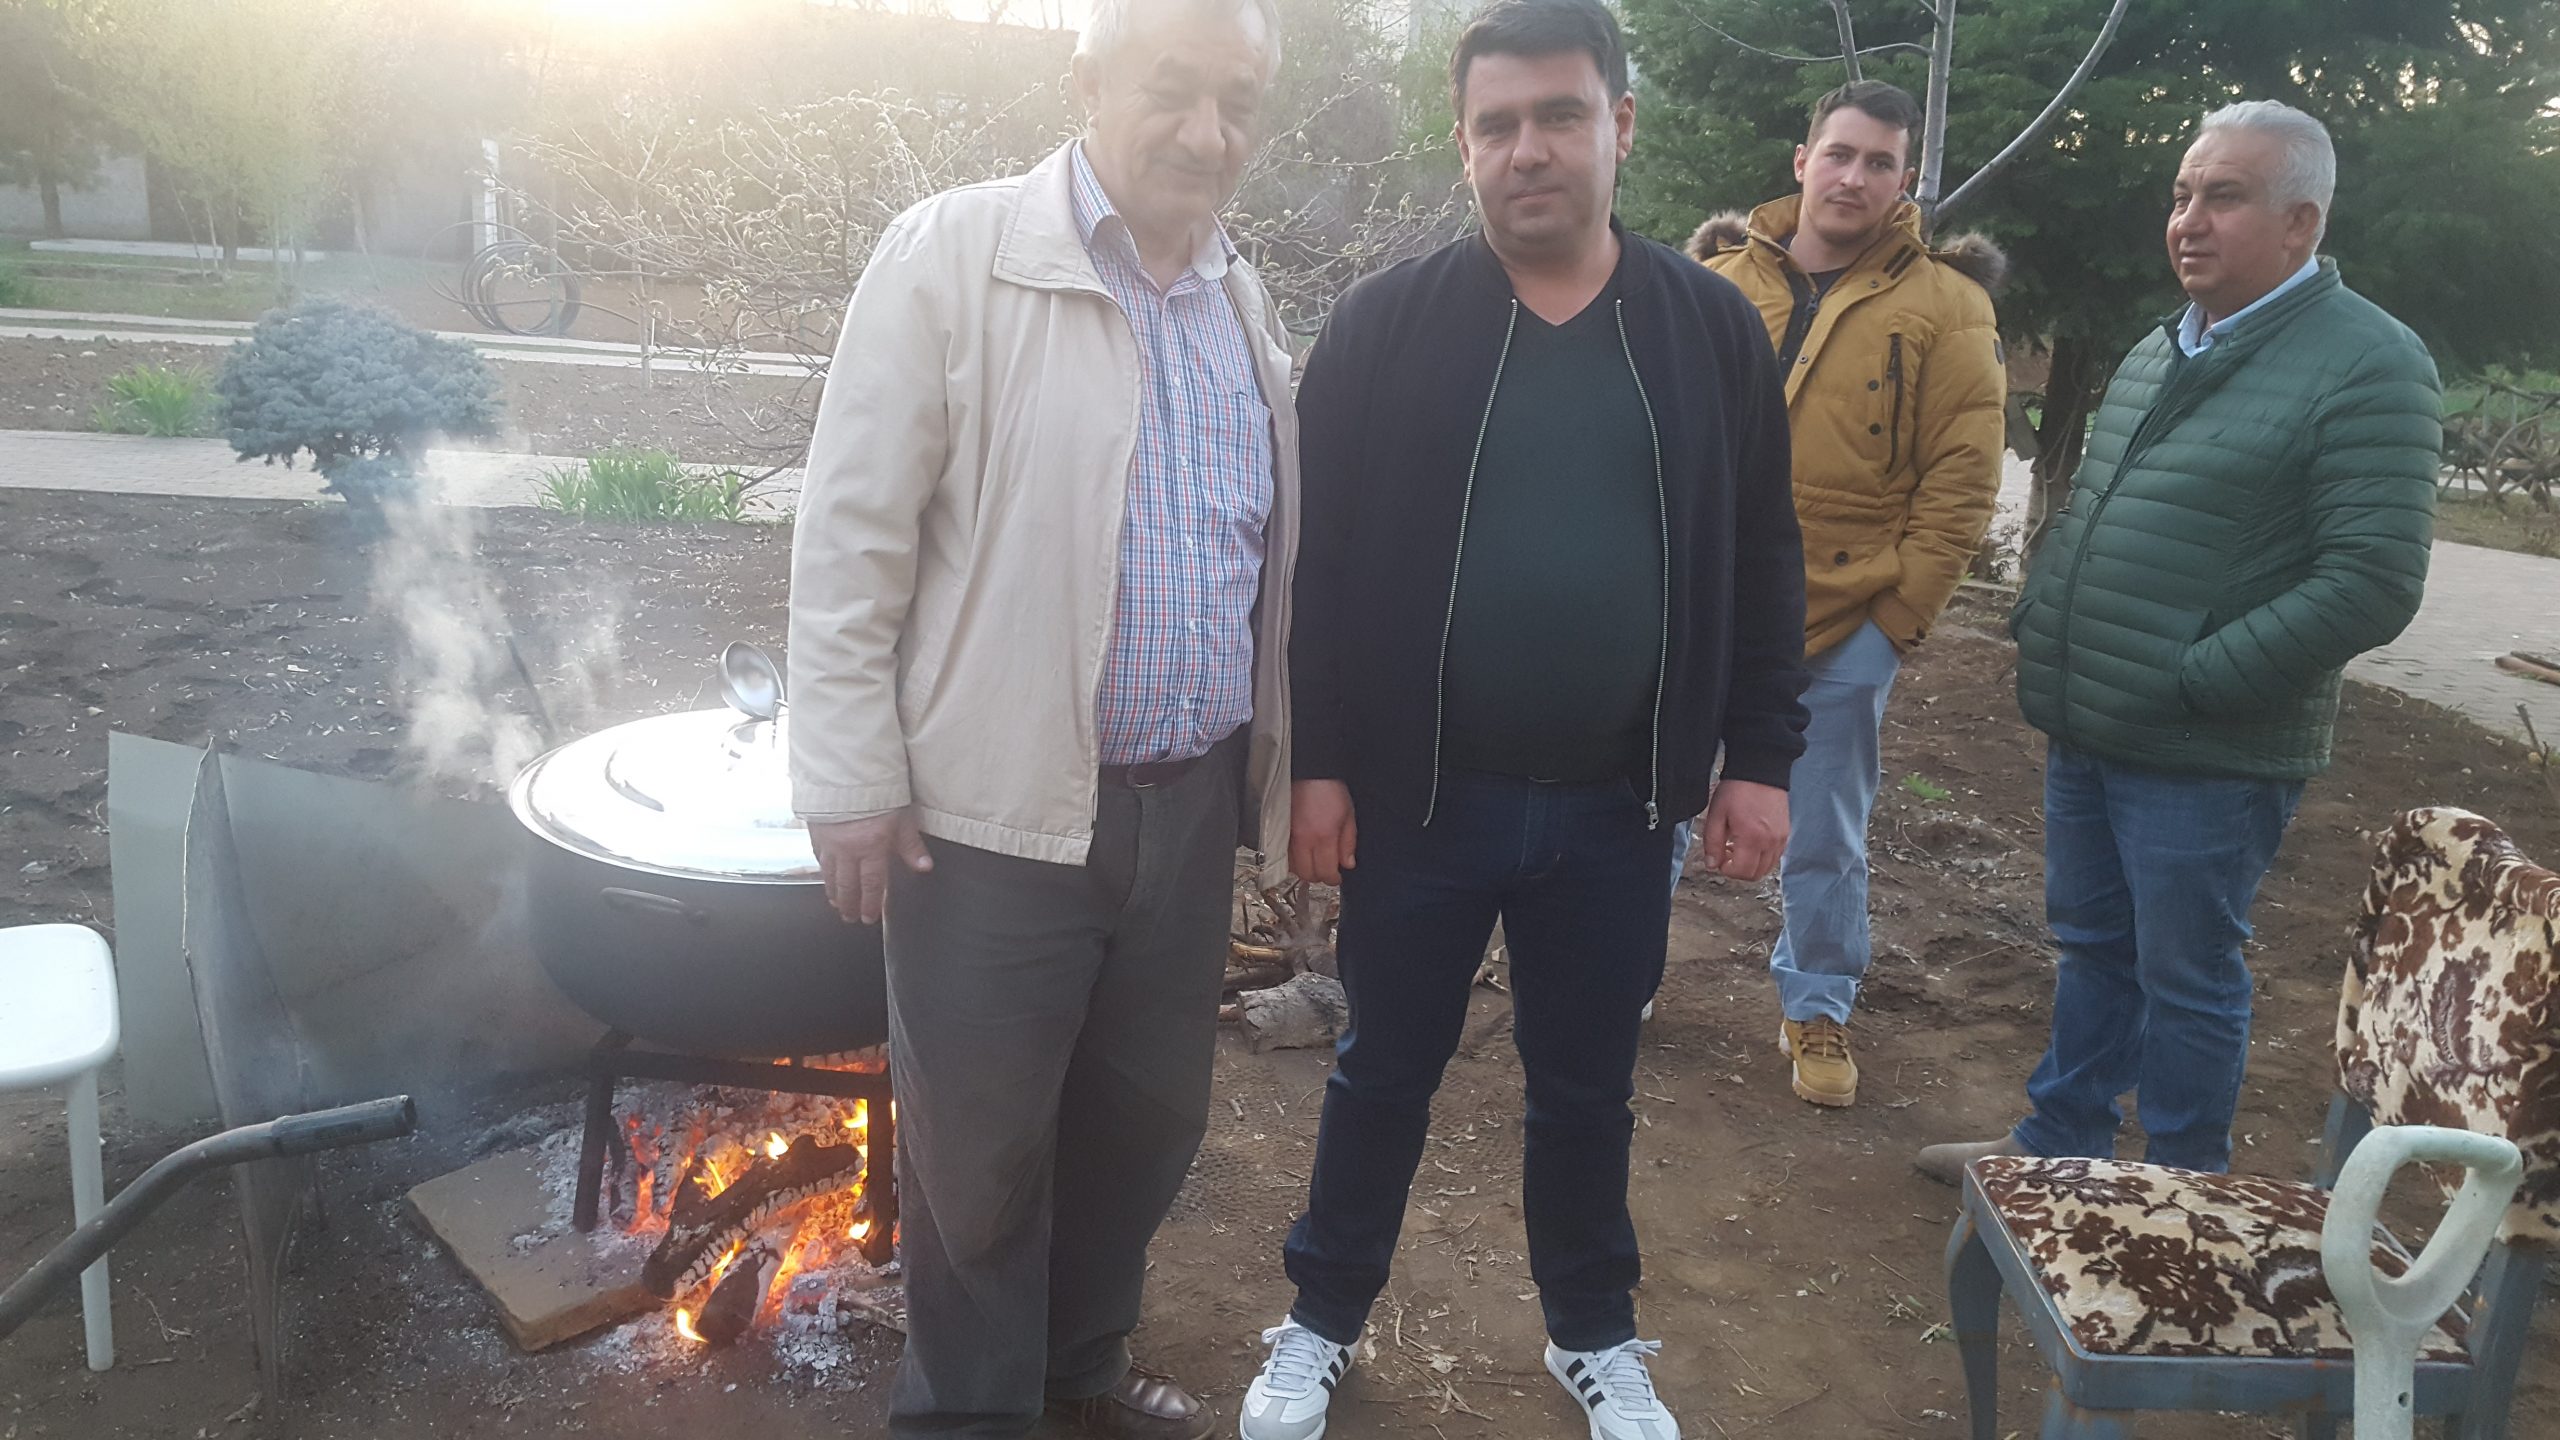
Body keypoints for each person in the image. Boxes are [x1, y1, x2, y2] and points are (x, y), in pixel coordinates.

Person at [1238, 3, 1808, 1437]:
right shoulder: (1385, 325)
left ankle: (1594, 1337)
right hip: (1422, 801)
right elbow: (1315, 568)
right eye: (1496, 126)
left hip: (1618, 807)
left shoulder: (1707, 330)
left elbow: (1762, 555)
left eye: (1559, 116)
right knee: (1381, 1071)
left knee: (1586, 1090)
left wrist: (1761, 760)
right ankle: (1318, 1322)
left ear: (1620, 126)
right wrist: (1318, 768)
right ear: (1463, 146)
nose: (1527, 150)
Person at [784, 0, 1300, 1431]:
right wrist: (849, 772)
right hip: (988, 818)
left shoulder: (1239, 298)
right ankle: (970, 1414)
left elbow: (1253, 552)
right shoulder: (954, 255)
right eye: (1173, 88)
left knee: (1145, 1127)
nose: (1207, 131)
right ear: (1087, 81)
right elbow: (851, 536)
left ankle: (1078, 1375)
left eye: (1239, 102)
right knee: (979, 1160)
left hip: (1185, 811)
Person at [1916, 100, 2440, 1185]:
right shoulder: (2166, 346)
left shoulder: (2368, 362)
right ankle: (2060, 1147)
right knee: (2093, 947)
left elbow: (2371, 581)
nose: (2188, 221)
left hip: (2209, 747)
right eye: (2182, 194)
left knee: (2186, 975)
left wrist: (2197, 677)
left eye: (2224, 197)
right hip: (2094, 718)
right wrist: (2044, 619)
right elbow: (2104, 508)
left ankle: (2180, 1189)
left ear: (2300, 223)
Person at [1673, 80, 2007, 1108]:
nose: (1855, 177)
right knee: (1652, 807)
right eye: (1840, 154)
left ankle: (1817, 1003)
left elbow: (1962, 481)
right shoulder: (1714, 283)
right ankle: (1617, 975)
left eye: (1879, 163)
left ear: (1905, 182)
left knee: (1824, 832)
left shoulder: (1949, 307)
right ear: (1802, 160)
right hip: (1697, 609)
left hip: (1842, 619)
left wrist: (1893, 625)